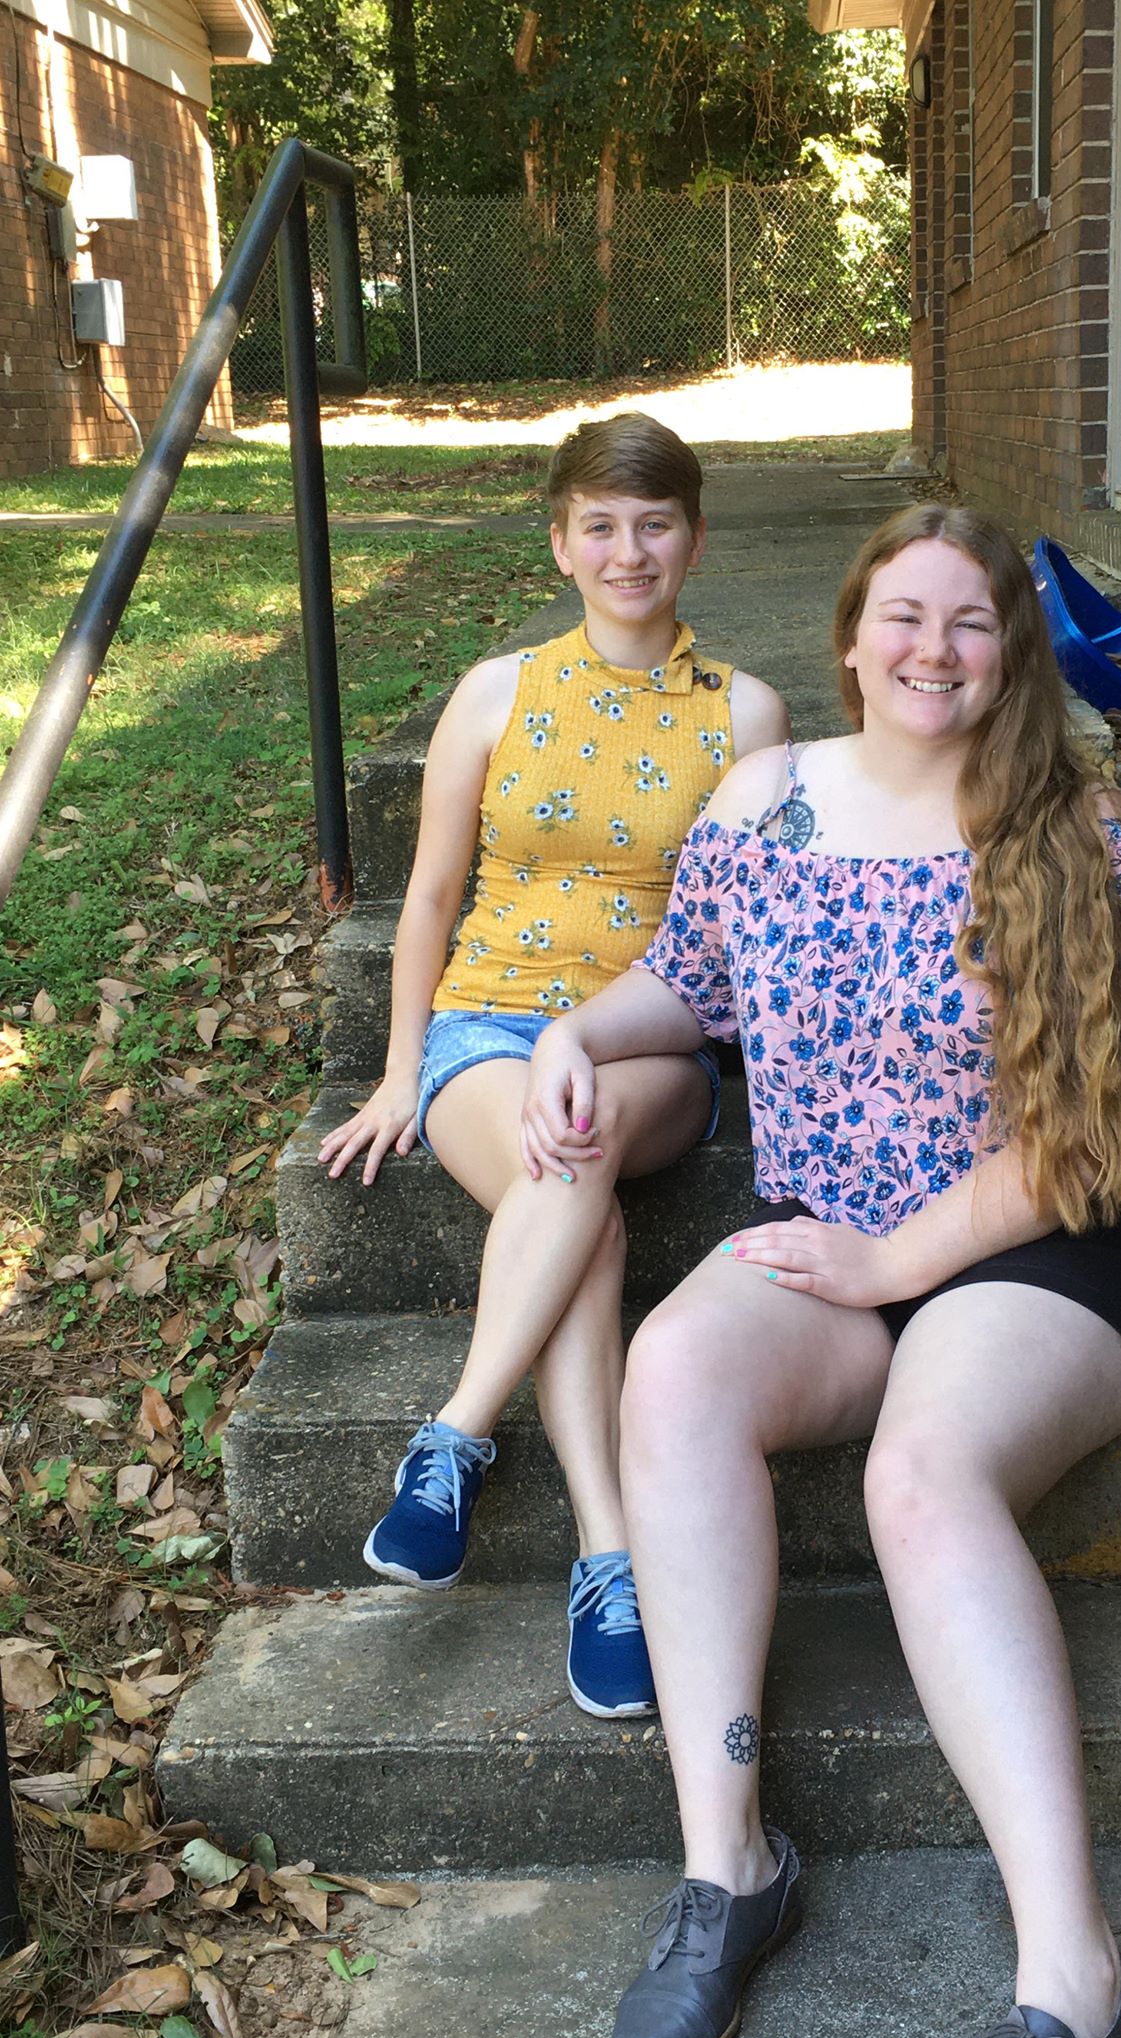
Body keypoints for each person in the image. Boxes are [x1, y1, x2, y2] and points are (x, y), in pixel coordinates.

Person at [520, 503, 1121, 2038]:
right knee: (673, 1370)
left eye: (971, 621)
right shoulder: (764, 807)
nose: (933, 648)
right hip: (840, 1240)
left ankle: (1073, 1972)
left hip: (1047, 1249)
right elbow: (684, 982)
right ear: (849, 640)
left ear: (1012, 655)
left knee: (921, 1472)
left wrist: (894, 1258)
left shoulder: (1080, 835)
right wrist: (573, 1030)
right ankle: (730, 1871)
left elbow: (1090, 1131)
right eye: (905, 614)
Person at [317, 412, 789, 1720]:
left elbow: (752, 928)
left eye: (655, 524)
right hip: (486, 1028)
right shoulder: (497, 692)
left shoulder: (748, 714)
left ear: (694, 539)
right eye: (601, 526)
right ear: (561, 545)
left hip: (652, 1044)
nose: (629, 551)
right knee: (576, 1199)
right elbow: (429, 896)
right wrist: (398, 1071)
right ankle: (610, 1557)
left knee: (576, 1138)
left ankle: (456, 1433)